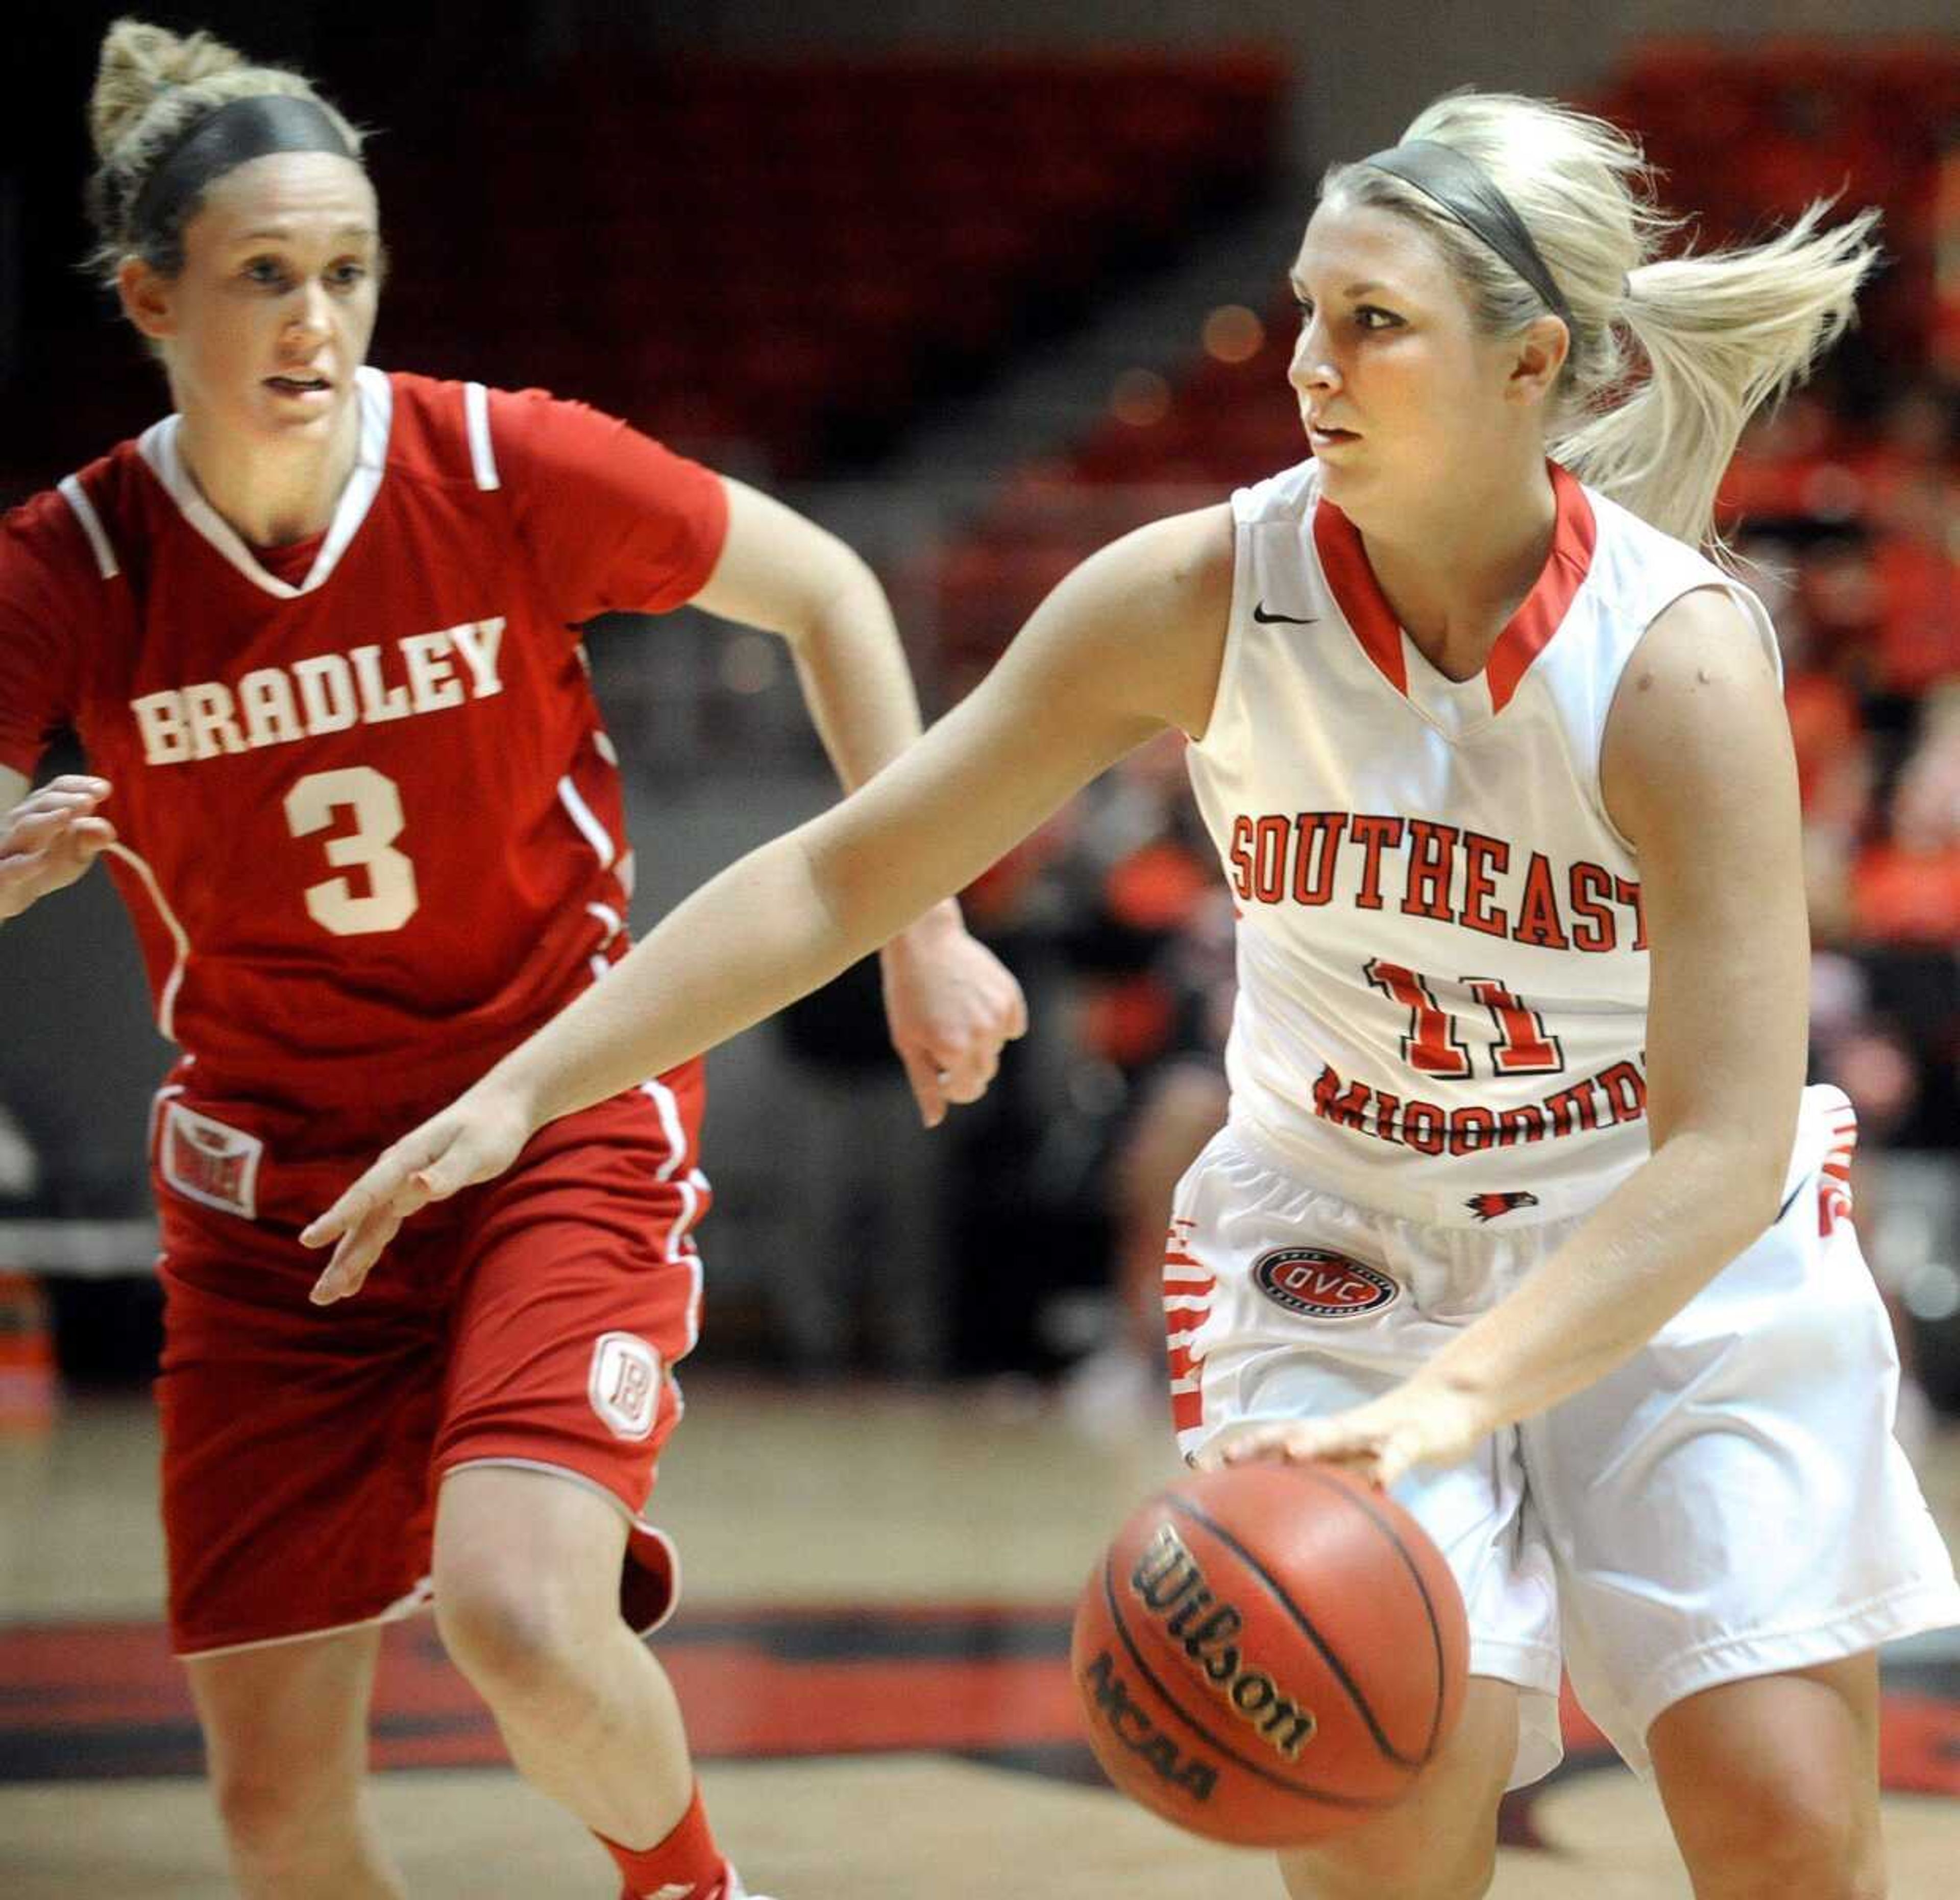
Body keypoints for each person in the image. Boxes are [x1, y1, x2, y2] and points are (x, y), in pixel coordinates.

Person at [305, 89, 1960, 1900]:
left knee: (1790, 1829)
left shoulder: (1675, 658)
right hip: (1353, 1240)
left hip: (1661, 1249)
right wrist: (519, 1088)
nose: (1308, 363)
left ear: (1529, 364)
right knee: (1385, 1806)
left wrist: (1458, 1403)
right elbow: (839, 870)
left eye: (1373, 323)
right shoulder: (1196, 590)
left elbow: (1721, 1148)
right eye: (1309, 310)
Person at [0, 20, 1025, 1900]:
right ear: (149, 299)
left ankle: (699, 1892)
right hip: (274, 1192)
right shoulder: (69, 562)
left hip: (547, 1106)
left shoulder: (494, 456)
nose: (315, 319)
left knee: (524, 1614)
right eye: (262, 278)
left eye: (347, 272)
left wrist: (926, 922)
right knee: (275, 1818)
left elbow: (828, 588)